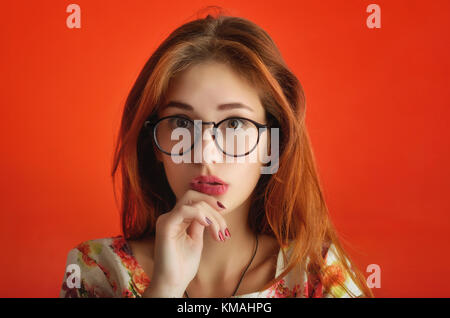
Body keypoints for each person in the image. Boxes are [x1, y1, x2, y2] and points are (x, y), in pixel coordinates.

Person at [59, 11, 373, 298]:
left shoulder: (317, 276)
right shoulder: (97, 271)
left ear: (272, 144)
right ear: (154, 144)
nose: (205, 154)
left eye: (235, 123)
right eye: (181, 123)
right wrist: (165, 288)